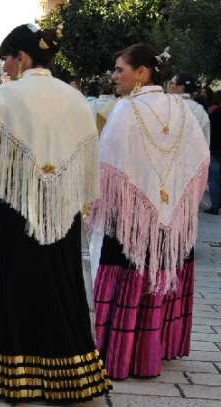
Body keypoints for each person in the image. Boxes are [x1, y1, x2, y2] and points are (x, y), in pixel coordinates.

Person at [0, 24, 110, 403]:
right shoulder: (75, 98)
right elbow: (90, 155)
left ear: (22, 57)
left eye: (8, 60)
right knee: (60, 282)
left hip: (11, 207)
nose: (6, 68)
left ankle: (14, 376)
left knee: (11, 285)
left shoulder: (5, 95)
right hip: (61, 208)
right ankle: (70, 375)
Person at [88, 44, 209, 380]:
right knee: (160, 272)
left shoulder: (126, 109)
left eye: (120, 69)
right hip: (165, 220)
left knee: (126, 270)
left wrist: (98, 201)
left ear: (142, 72)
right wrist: (179, 199)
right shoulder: (182, 108)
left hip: (130, 216)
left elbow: (107, 165)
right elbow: (200, 158)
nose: (115, 77)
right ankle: (159, 349)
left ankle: (119, 354)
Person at [169, 73, 211, 147]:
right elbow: (205, 141)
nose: (169, 86)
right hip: (194, 156)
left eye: (171, 83)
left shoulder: (166, 106)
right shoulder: (200, 110)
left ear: (180, 87)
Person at [209, 106, 221, 214]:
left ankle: (215, 206)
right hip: (215, 149)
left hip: (216, 149)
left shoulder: (216, 112)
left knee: (214, 179)